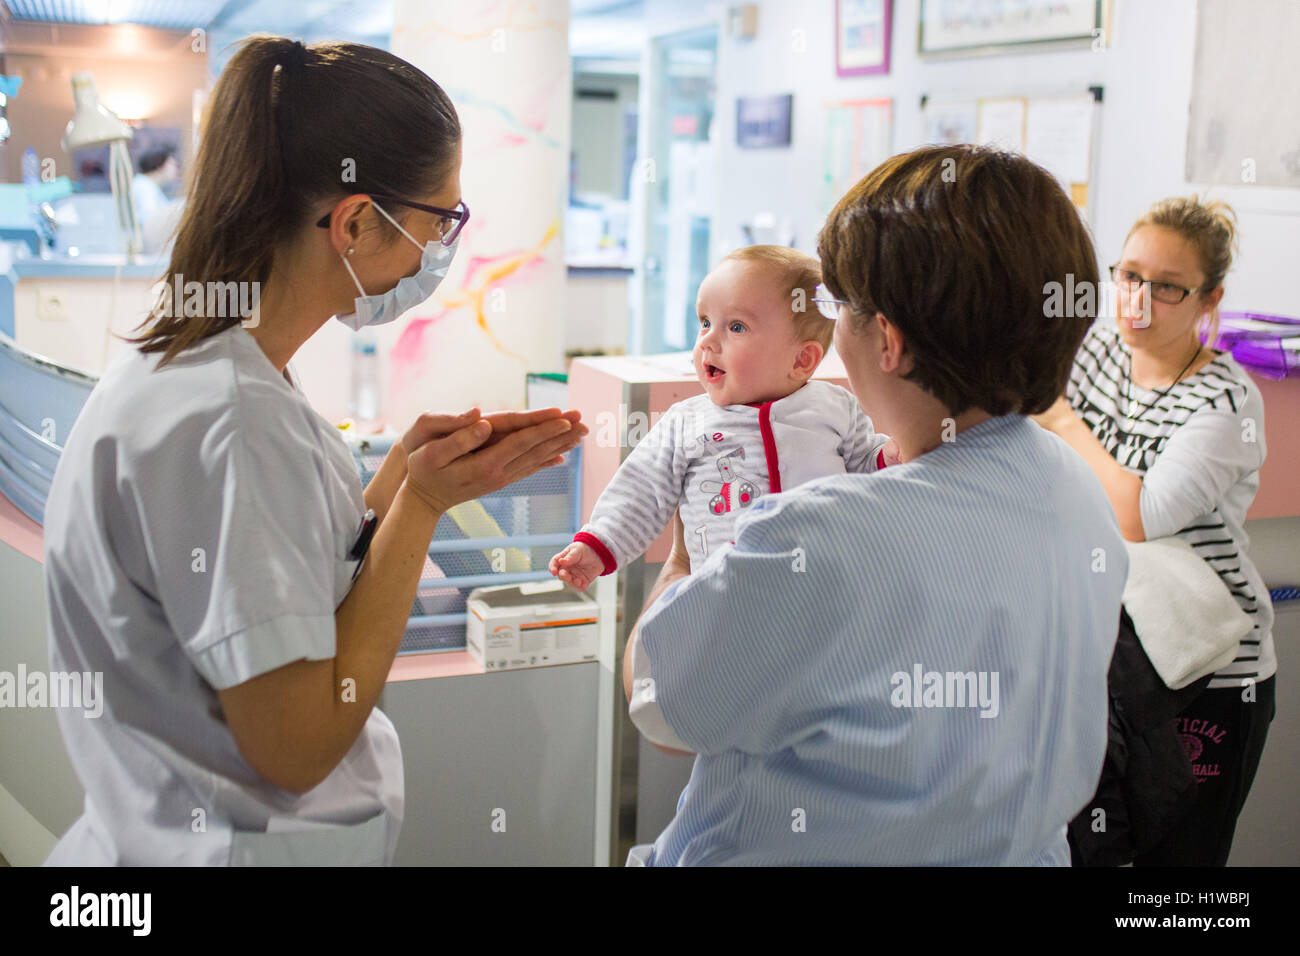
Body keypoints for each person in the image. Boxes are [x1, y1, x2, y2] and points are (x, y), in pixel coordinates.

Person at [42, 36, 586, 866]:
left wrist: (399, 478)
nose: (440, 252)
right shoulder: (231, 421)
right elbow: (296, 746)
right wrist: (421, 510)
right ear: (357, 223)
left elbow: (279, 576)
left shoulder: (210, 372)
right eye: (441, 222)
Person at [621, 145, 1129, 866]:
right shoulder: (1075, 490)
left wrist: (683, 559)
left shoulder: (824, 536)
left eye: (836, 307)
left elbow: (663, 705)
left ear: (886, 339)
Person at [1033, 196, 1275, 866]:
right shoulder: (1097, 352)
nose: (1139, 300)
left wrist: (1062, 422)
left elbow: (1137, 517)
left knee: (1179, 874)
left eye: (1167, 287)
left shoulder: (1227, 400)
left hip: (1211, 670)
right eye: (1129, 276)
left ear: (1210, 298)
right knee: (1097, 851)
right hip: (1112, 654)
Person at [550, 245, 895, 590]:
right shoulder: (686, 421)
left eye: (737, 327)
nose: (707, 341)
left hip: (823, 584)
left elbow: (864, 463)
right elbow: (639, 490)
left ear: (802, 360)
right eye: (704, 322)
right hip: (722, 592)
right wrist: (596, 546)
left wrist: (890, 456)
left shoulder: (834, 406)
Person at [131, 146, 183, 253]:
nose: (176, 169)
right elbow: (151, 220)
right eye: (172, 164)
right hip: (147, 249)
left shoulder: (146, 185)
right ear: (160, 165)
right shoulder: (143, 186)